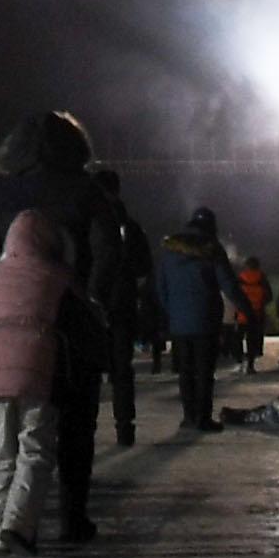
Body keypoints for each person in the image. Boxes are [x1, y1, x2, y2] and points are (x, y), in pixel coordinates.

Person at [0, 108, 121, 546]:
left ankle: (11, 519)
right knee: (77, 426)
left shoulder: (3, 195)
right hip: (74, 323)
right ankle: (72, 517)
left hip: (15, 324)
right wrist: (94, 298)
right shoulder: (88, 192)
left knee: (17, 435)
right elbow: (108, 252)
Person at [0, 207, 72, 553]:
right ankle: (18, 524)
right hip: (36, 366)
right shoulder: (57, 274)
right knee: (35, 449)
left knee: (2, 455)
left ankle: (1, 532)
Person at [156, 205, 248, 432]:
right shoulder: (212, 249)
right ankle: (203, 418)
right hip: (206, 320)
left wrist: (172, 312)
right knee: (205, 372)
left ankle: (188, 417)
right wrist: (249, 310)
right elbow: (229, 285)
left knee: (186, 372)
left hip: (179, 323)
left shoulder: (169, 251)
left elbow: (160, 287)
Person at [92, 166, 150, 445]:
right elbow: (144, 268)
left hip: (91, 306)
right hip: (122, 305)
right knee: (121, 370)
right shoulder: (132, 226)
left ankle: (83, 432)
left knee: (87, 372)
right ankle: (124, 428)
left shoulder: (88, 221)